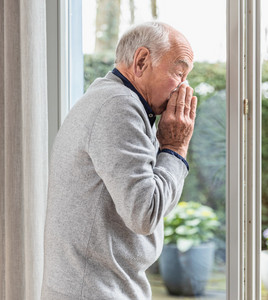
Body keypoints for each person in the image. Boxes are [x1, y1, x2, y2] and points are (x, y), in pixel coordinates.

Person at [41, 21, 197, 300]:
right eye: (179, 73)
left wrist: (170, 148)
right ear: (141, 61)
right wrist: (175, 147)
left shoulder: (114, 100)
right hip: (94, 291)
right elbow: (146, 214)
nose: (182, 88)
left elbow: (154, 206)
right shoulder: (119, 106)